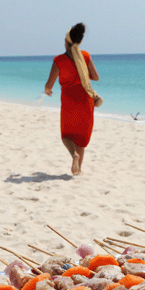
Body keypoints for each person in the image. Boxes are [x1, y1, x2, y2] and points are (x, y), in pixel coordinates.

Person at [44, 23, 102, 176]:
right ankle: (78, 170)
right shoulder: (86, 56)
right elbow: (96, 77)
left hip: (70, 100)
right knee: (81, 139)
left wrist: (47, 90)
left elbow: (49, 84)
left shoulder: (59, 60)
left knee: (66, 135)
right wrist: (83, 75)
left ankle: (73, 155)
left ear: (66, 42)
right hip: (86, 100)